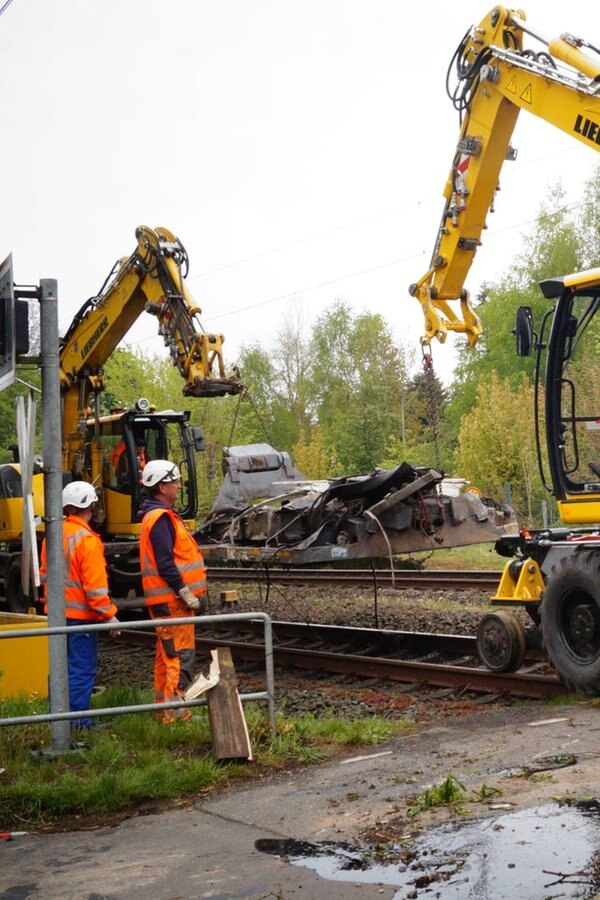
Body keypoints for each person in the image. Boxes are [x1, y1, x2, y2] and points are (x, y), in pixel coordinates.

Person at [40, 482, 120, 731]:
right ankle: (75, 723)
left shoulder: (53, 536)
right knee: (80, 670)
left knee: (59, 667)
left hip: (56, 615)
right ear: (91, 506)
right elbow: (95, 590)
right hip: (80, 618)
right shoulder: (87, 540)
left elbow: (45, 576)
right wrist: (109, 617)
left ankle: (57, 719)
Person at [139, 459, 207, 723]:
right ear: (162, 486)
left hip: (166, 601)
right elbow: (165, 562)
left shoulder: (158, 516)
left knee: (166, 657)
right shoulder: (160, 519)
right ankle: (176, 715)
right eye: (175, 481)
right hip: (173, 602)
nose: (178, 486)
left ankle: (163, 710)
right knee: (179, 656)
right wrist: (184, 591)